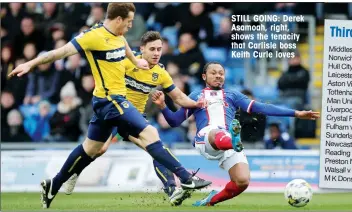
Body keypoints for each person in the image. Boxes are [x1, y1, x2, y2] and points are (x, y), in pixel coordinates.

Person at [8, 3, 211, 209]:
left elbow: (125, 49)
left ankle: (54, 184)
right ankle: (185, 178)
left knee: (91, 148)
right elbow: (59, 52)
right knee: (150, 135)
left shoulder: (119, 37)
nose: (131, 26)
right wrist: (30, 64)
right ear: (119, 19)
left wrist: (136, 61)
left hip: (109, 104)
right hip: (111, 100)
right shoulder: (92, 37)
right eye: (129, 21)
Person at [63, 31, 206, 206]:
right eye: (152, 49)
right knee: (99, 150)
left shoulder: (160, 73)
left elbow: (179, 98)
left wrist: (197, 104)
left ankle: (171, 190)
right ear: (142, 49)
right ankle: (74, 173)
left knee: (156, 149)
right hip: (114, 112)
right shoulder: (127, 63)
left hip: (135, 118)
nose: (156, 53)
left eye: (159, 49)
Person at [150, 62, 320, 206]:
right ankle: (233, 140)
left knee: (242, 181)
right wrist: (163, 106)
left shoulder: (232, 95)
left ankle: (210, 201)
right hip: (206, 138)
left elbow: (262, 108)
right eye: (213, 73)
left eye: (221, 73)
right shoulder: (196, 96)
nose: (218, 76)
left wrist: (296, 113)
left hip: (228, 140)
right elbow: (174, 121)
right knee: (216, 132)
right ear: (204, 77)